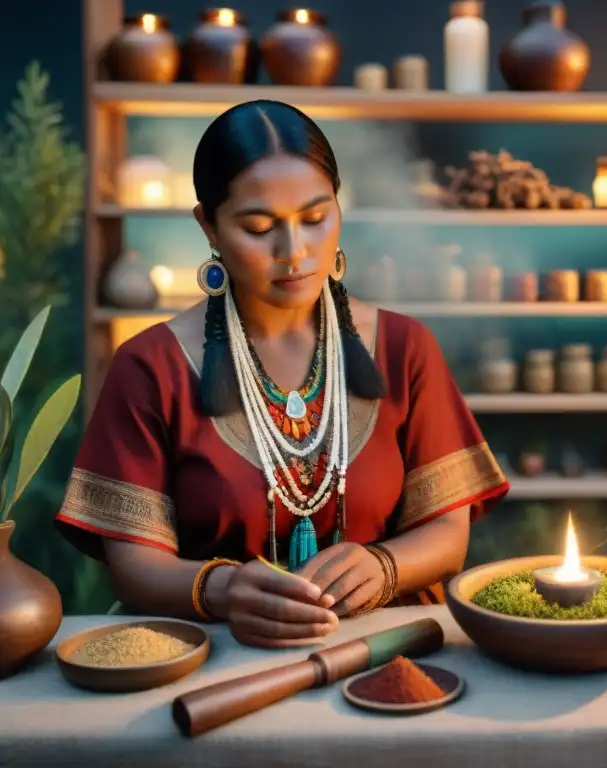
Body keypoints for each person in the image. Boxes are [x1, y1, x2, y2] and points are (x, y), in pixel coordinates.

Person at [56, 100, 509, 647]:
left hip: (384, 648)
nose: (294, 252)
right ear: (209, 226)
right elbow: (133, 565)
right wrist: (223, 588)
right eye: (258, 226)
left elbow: (447, 534)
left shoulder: (403, 347)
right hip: (216, 654)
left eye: (315, 218)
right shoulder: (151, 365)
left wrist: (384, 566)